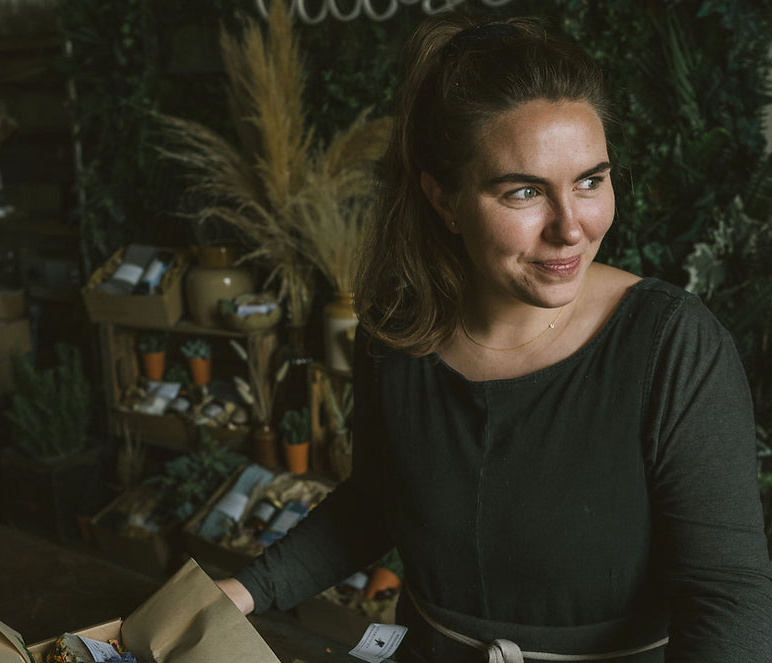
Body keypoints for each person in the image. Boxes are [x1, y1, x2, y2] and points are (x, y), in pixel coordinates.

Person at [216, 13, 772, 662]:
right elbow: (375, 501)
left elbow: (729, 595)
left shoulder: (673, 346)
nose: (571, 227)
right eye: (525, 192)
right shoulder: (395, 337)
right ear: (443, 200)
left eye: (591, 180)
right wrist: (242, 590)